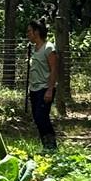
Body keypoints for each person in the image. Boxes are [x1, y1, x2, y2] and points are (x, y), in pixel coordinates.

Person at [24, 19, 60, 150]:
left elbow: (54, 70)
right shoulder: (33, 48)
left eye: (29, 31)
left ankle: (51, 146)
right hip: (34, 89)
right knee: (38, 119)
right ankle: (46, 146)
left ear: (36, 32)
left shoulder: (49, 48)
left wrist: (50, 90)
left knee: (42, 117)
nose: (27, 34)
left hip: (45, 88)